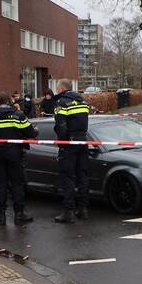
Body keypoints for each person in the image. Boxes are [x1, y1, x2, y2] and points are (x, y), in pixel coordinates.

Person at [0, 92, 39, 226]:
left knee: (1, 185)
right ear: (9, 100)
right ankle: (19, 214)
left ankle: (1, 216)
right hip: (14, 155)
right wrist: (35, 131)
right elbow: (30, 132)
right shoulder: (17, 115)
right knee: (17, 184)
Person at [53, 79, 91, 224]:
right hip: (83, 140)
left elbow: (60, 124)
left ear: (62, 88)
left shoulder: (62, 102)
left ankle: (68, 212)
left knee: (67, 177)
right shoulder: (82, 101)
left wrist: (62, 141)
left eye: (57, 88)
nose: (56, 90)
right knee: (82, 175)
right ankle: (83, 209)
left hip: (69, 142)